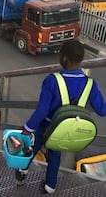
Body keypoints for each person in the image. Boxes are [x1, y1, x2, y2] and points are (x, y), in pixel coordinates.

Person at [15, 40, 106, 194]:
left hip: (47, 125)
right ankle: (50, 186)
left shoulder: (52, 80)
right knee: (55, 153)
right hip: (66, 129)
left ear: (64, 58)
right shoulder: (90, 84)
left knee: (33, 146)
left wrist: (27, 127)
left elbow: (42, 110)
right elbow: (102, 110)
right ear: (80, 59)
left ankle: (22, 172)